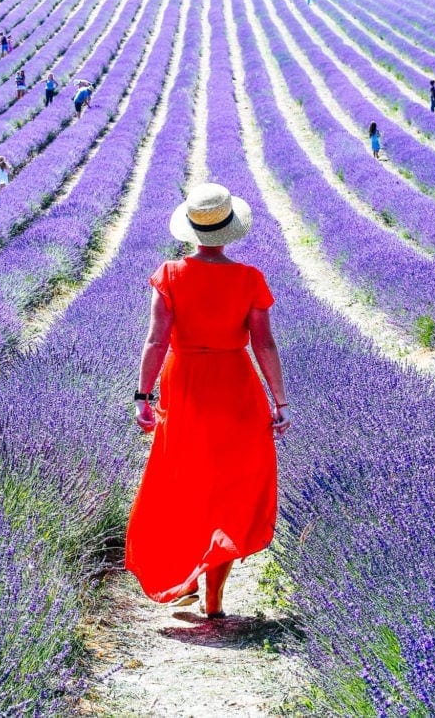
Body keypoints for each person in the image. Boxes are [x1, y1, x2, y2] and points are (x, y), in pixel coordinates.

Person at [126, 183, 290, 619]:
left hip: (186, 388)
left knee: (185, 482)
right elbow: (265, 345)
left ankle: (186, 580)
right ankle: (214, 595)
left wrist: (144, 396)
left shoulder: (170, 275)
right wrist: (280, 401)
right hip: (236, 386)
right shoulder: (249, 278)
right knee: (229, 489)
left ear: (192, 229)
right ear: (230, 229)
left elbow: (156, 341)